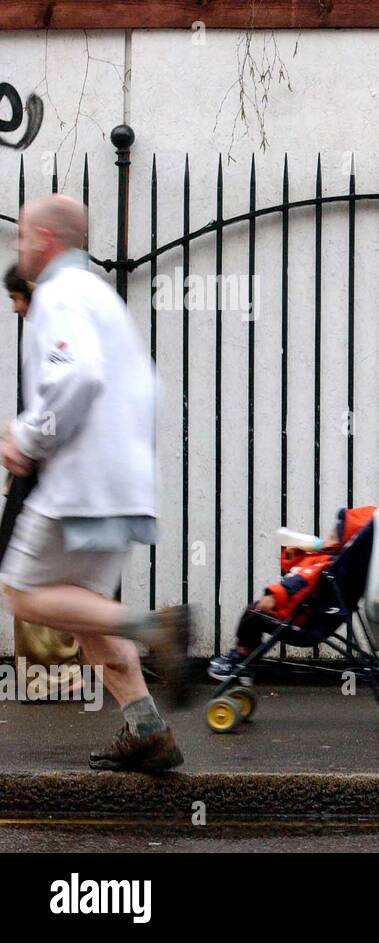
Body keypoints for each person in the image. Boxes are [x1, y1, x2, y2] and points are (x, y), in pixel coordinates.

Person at [0, 194, 191, 771]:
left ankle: (153, 625)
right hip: (119, 480)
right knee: (85, 613)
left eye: (22, 237)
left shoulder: (59, 295)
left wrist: (26, 439)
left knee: (23, 594)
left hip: (79, 479)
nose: (18, 248)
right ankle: (148, 732)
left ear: (45, 240)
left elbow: (75, 377)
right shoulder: (100, 297)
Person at [5, 263, 83, 702]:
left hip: (45, 472)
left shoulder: (53, 331)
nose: (15, 308)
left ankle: (51, 675)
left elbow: (57, 404)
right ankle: (60, 673)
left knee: (30, 578)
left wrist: (21, 439)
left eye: (17, 298)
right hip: (49, 470)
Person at [207, 505, 376, 681]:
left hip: (302, 623)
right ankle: (246, 660)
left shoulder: (324, 563)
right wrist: (296, 553)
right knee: (254, 615)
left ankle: (241, 660)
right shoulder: (330, 562)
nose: (329, 535)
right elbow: (296, 570)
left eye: (335, 533)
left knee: (253, 614)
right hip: (313, 621)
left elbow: (300, 580)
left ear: (343, 541)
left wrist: (274, 595)